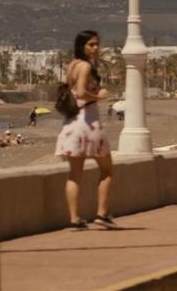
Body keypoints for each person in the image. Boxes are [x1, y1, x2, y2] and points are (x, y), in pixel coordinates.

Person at [54, 30, 118, 230]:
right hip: (88, 123)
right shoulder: (85, 66)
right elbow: (81, 93)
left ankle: (74, 218)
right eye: (91, 44)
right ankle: (102, 214)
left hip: (71, 124)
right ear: (82, 46)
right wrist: (101, 96)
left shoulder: (72, 65)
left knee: (75, 174)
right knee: (107, 170)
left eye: (97, 44)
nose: (96, 48)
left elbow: (72, 91)